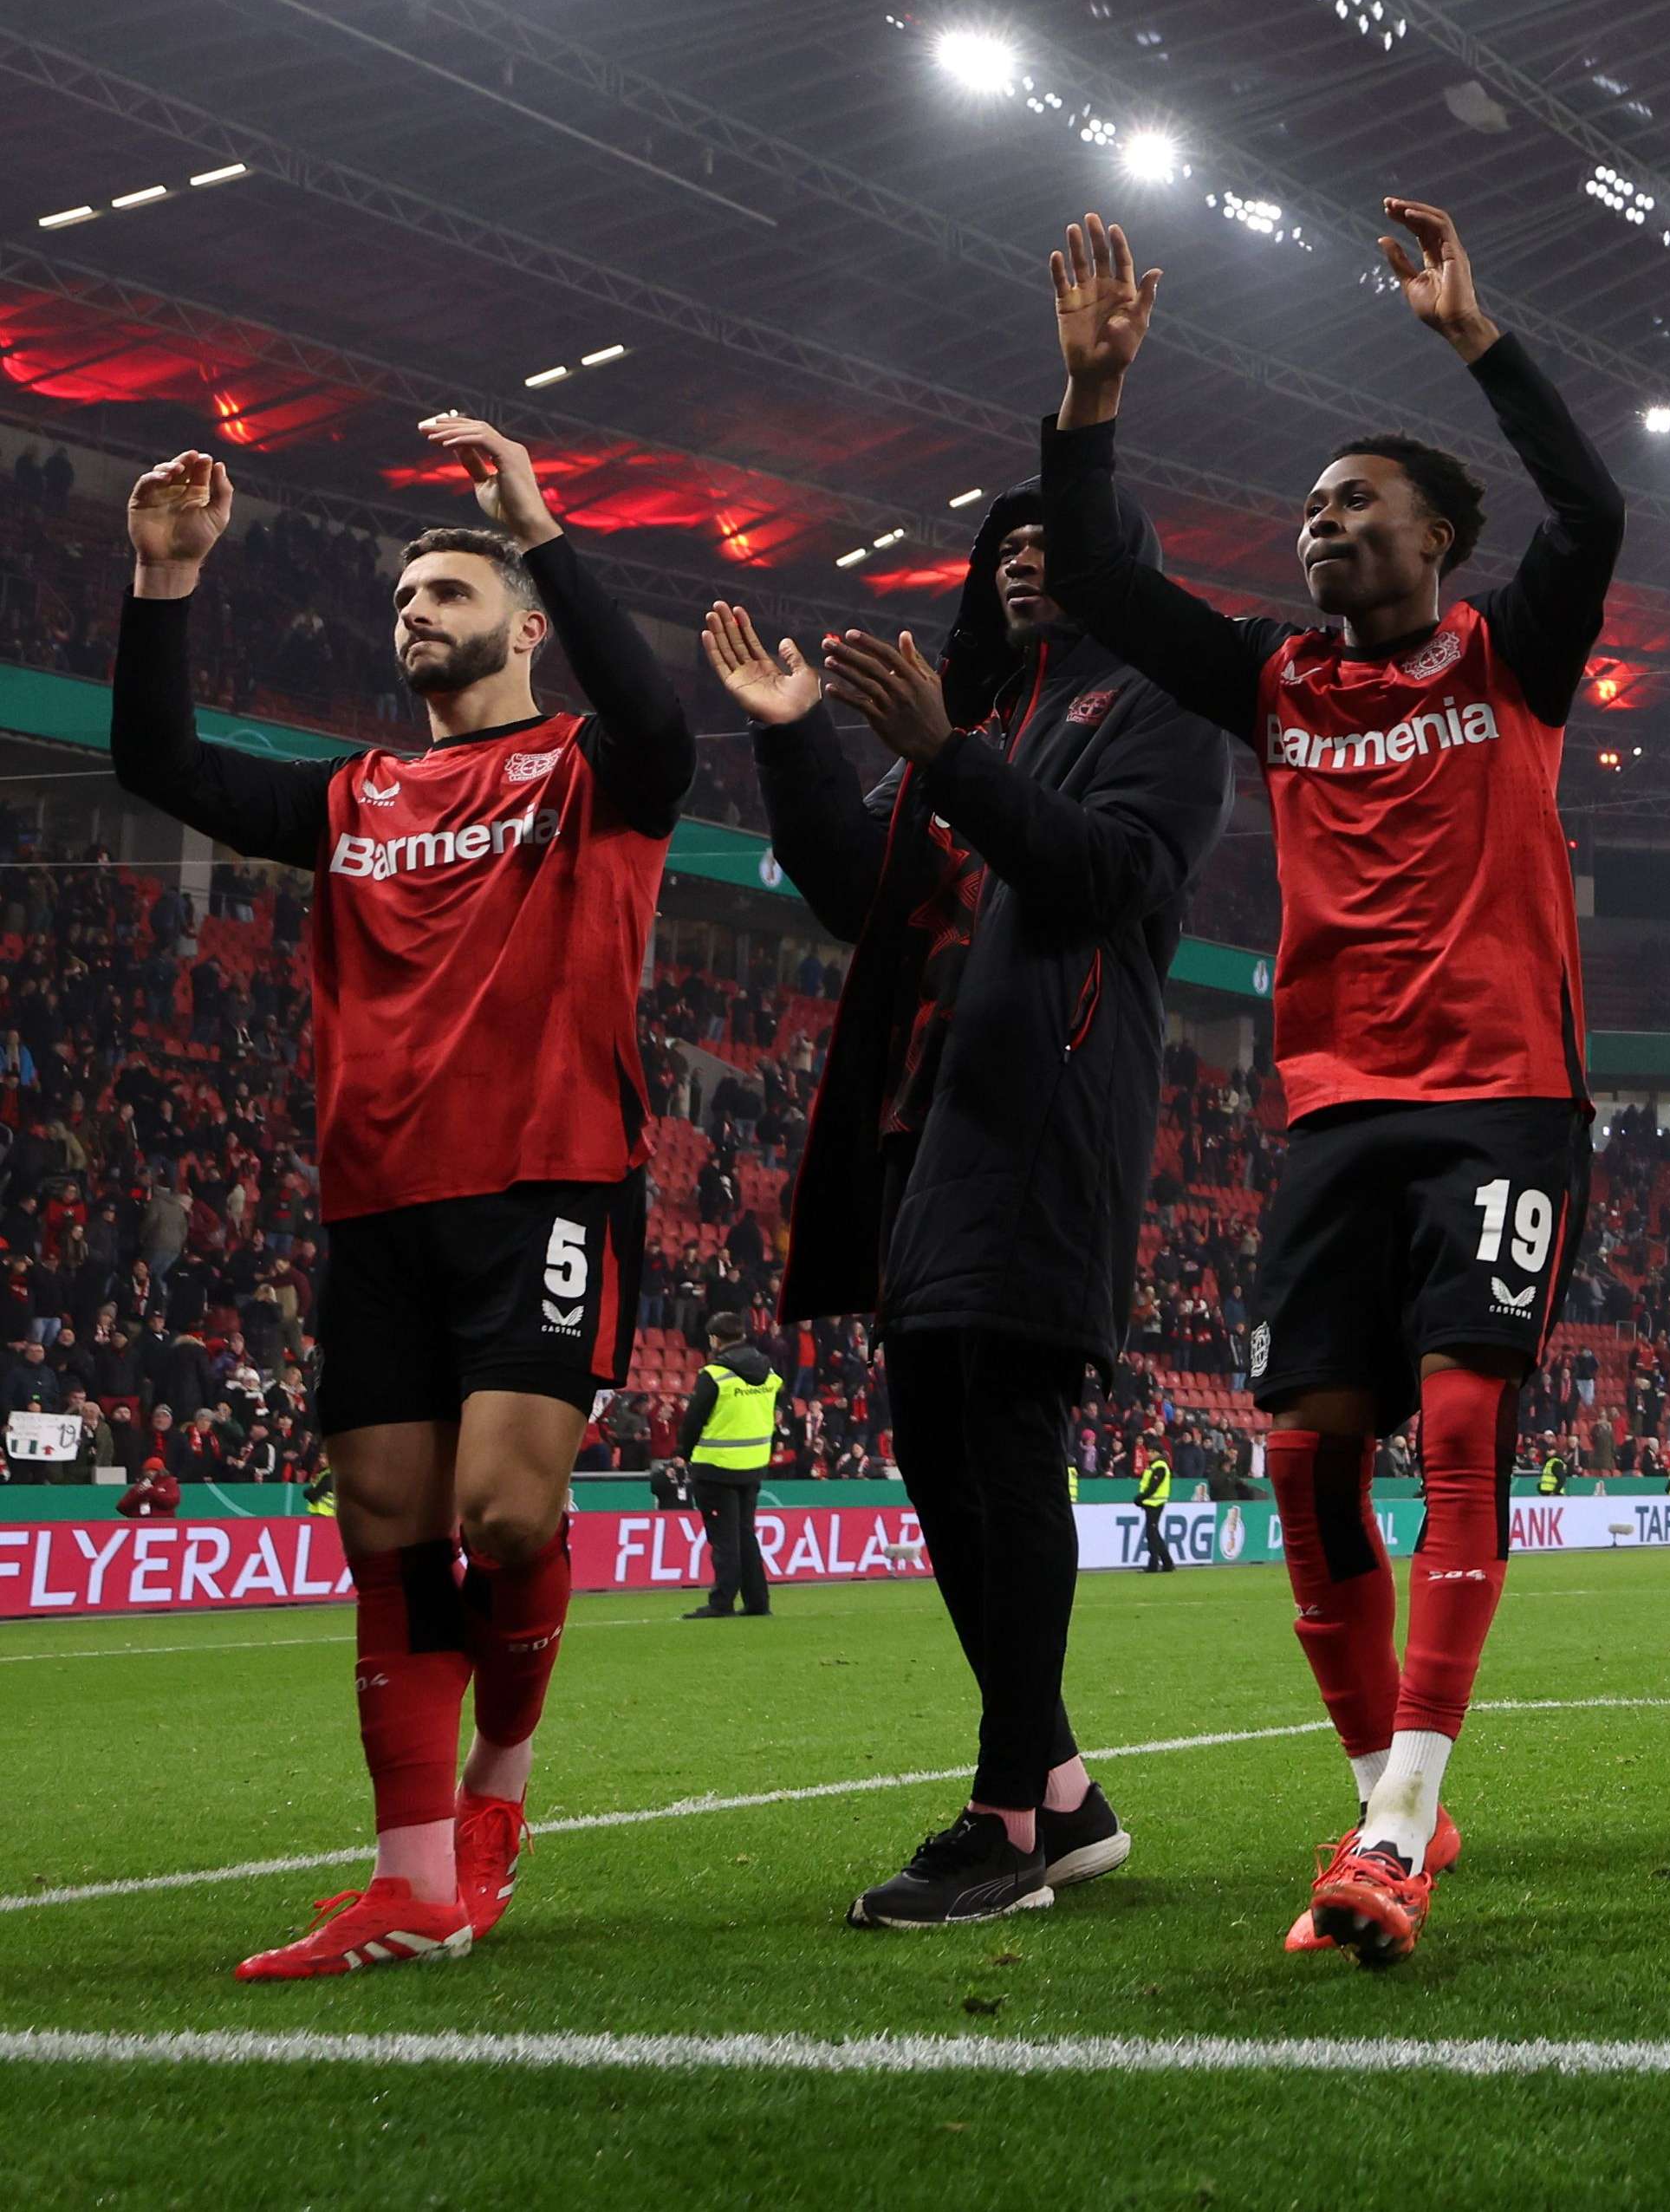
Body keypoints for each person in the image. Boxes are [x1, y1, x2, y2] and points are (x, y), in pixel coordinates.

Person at [1031, 197, 1627, 1969]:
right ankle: (1395, 1802)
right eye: (1309, 508)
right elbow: (1103, 577)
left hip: (1505, 1090)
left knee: (1457, 1428)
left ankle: (1390, 1829)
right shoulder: (1279, 681)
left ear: (1440, 536)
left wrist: (1476, 337)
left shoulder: (1513, 658)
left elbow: (1593, 510)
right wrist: (1090, 401)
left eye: (1358, 500)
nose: (1322, 522)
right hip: (1336, 1105)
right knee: (1304, 1458)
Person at [114, 413, 692, 1976]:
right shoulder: (352, 793)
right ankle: (414, 1877)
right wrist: (164, 580)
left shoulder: (586, 768)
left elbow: (666, 726)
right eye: (403, 601)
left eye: (446, 592)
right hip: (376, 1195)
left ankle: (498, 1793)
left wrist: (541, 527)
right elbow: (156, 762)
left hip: (548, 1180)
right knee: (388, 1529)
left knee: (507, 1511)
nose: (415, 613)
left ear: (517, 627)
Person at [711, 473, 1224, 1926]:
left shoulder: (1157, 707)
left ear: (1122, 565)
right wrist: (794, 728)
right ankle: (1058, 1781)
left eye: (1055, 543)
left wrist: (945, 756)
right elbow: (847, 886)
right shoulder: (990, 724)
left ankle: (1009, 1821)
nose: (1020, 562)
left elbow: (1113, 873)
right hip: (924, 1124)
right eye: (1003, 545)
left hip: (1049, 1112)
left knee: (1000, 1428)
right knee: (937, 1441)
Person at [683, 1317, 782, 1620]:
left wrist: (683, 1454)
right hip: (753, 1465)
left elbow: (694, 1421)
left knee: (724, 1539)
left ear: (715, 1339)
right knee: (745, 1535)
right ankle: (757, 1601)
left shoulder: (714, 1374)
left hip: (716, 1467)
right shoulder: (768, 1371)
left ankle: (722, 1601)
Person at [1135, 1448, 1178, 1577]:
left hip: (1155, 1503)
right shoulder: (1153, 1466)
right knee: (1154, 1533)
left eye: (1152, 1451)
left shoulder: (1160, 1467)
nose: (1149, 1454)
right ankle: (1167, 1562)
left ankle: (1154, 1564)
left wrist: (1140, 1498)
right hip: (1151, 1503)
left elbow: (1153, 1487)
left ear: (1157, 1453)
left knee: (1152, 1534)